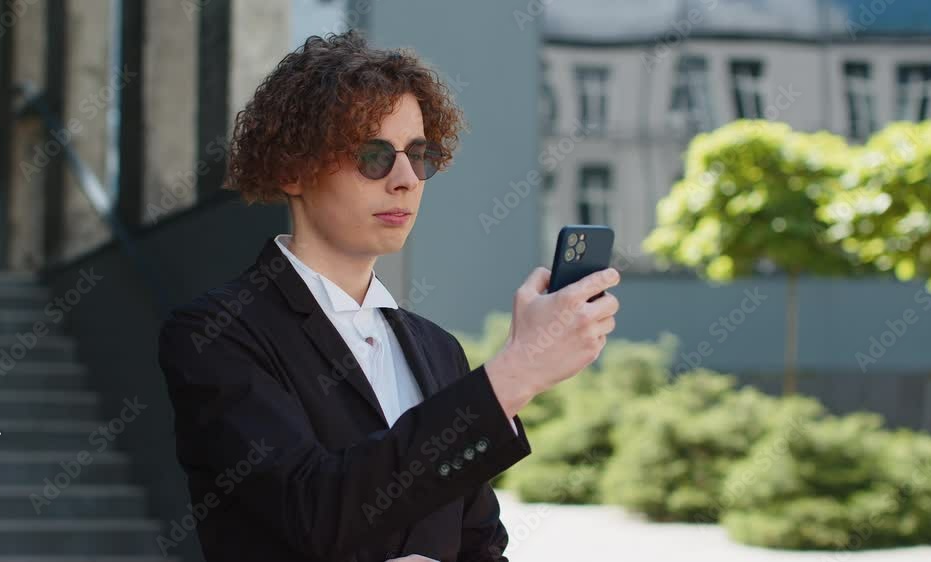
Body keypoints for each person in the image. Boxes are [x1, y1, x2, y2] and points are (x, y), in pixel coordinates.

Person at [156, 30, 620, 562]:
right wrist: (519, 371)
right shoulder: (215, 333)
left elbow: (480, 545)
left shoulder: (438, 349)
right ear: (292, 170)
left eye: (419, 155)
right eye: (373, 154)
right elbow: (314, 509)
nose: (405, 179)